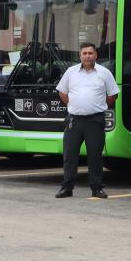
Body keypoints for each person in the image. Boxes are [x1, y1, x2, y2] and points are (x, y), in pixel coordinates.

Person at [54, 42, 118, 199]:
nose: (88, 56)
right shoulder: (71, 72)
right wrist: (73, 104)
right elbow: (62, 92)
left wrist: (98, 106)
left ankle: (97, 188)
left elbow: (113, 95)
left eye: (90, 53)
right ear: (80, 56)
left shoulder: (104, 73)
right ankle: (67, 188)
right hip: (74, 121)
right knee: (70, 155)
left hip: (95, 120)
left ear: (96, 55)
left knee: (95, 156)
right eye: (85, 53)